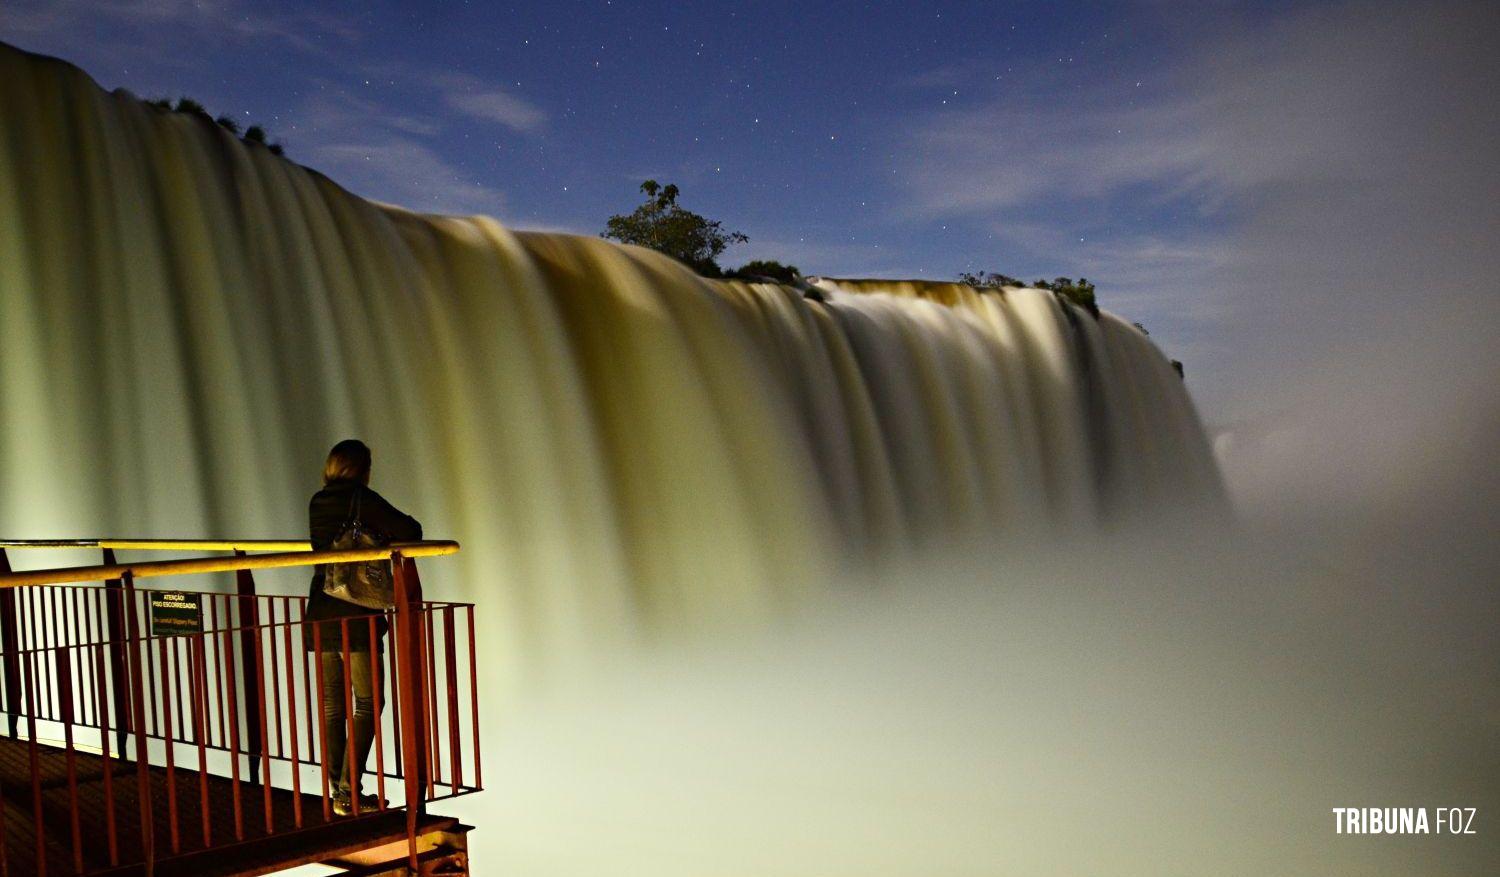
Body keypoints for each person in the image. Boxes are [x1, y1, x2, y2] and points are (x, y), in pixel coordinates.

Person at [304, 438, 422, 816]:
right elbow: (411, 530)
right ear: (362, 470)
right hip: (357, 615)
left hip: (321, 611)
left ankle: (340, 793)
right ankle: (347, 792)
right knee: (370, 703)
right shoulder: (362, 500)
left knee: (332, 706)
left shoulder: (317, 501)